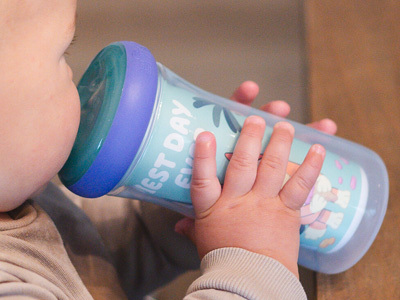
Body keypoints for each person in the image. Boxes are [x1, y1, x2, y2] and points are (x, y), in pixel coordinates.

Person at [0, 1, 337, 299]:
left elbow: (95, 253)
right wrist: (254, 262)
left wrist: (189, 196)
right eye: (63, 56)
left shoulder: (25, 198)